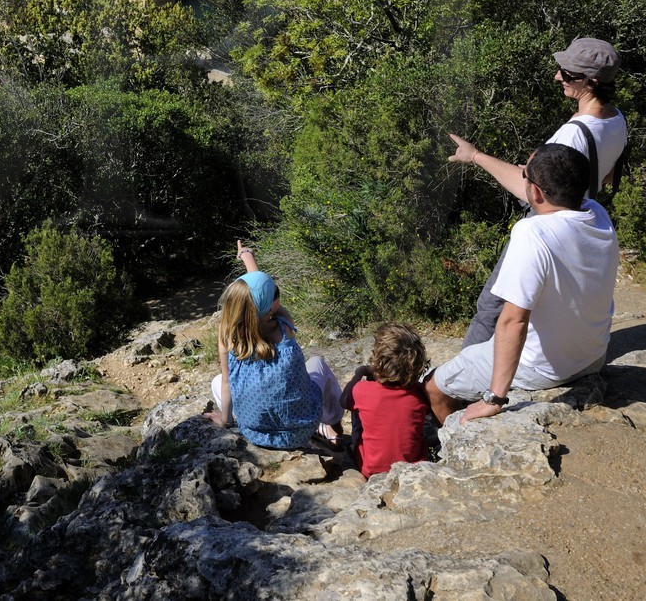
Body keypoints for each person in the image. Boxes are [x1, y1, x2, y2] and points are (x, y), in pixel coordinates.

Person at [449, 37, 628, 348]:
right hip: (582, 223)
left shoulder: (572, 134)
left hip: (550, 224)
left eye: (569, 74)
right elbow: (605, 172)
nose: (558, 77)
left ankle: (466, 375)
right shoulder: (616, 119)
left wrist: (475, 156)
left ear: (594, 82)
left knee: (492, 307)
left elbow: (528, 191)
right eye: (561, 69)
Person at [424, 143, 619, 425]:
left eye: (524, 173)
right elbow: (539, 192)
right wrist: (476, 156)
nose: (519, 174)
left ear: (536, 192)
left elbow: (513, 322)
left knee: (434, 386)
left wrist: (494, 398)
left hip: (543, 368)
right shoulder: (597, 214)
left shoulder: (532, 233)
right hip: (591, 358)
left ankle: (453, 439)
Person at [206, 241, 343, 449]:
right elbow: (261, 294)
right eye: (276, 293)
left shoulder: (227, 335)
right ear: (270, 307)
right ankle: (330, 423)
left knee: (220, 380)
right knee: (317, 363)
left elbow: (227, 383)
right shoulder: (284, 324)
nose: (277, 293)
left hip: (257, 434)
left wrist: (225, 420)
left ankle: (237, 415)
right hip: (301, 430)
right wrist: (248, 257)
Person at [339, 323, 431, 477]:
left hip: (371, 468)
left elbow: (343, 400)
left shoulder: (362, 390)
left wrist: (359, 373)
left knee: (357, 409)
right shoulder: (419, 392)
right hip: (413, 466)